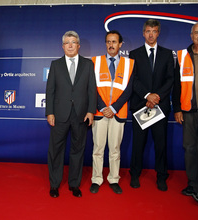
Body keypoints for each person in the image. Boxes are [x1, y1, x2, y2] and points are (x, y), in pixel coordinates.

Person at [46, 30, 97, 198]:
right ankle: (54, 184)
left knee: (78, 150)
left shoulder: (88, 64)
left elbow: (91, 90)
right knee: (56, 151)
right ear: (62, 46)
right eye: (67, 42)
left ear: (78, 45)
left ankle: (74, 184)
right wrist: (50, 112)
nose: (70, 45)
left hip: (81, 115)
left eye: (73, 42)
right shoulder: (55, 65)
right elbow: (50, 91)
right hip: (59, 115)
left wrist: (91, 111)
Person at [129, 19, 174, 191]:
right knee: (138, 144)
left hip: (160, 107)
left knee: (161, 145)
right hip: (140, 105)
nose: (151, 34)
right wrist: (148, 95)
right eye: (148, 31)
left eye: (154, 31)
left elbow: (170, 79)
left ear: (158, 33)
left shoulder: (167, 54)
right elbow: (133, 79)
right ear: (143, 33)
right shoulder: (134, 54)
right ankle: (135, 174)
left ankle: (161, 176)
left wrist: (156, 97)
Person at [172, 21, 198, 207]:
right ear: (191, 35)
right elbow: (176, 86)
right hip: (188, 112)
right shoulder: (181, 56)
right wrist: (177, 109)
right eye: (196, 32)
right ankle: (192, 183)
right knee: (189, 148)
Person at [90, 30, 134, 194]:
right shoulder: (95, 61)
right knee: (98, 149)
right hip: (99, 112)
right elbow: (91, 88)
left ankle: (114, 179)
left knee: (115, 149)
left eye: (114, 42)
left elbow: (129, 90)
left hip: (118, 113)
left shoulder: (130, 64)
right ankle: (96, 179)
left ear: (120, 44)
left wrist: (114, 108)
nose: (111, 45)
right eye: (108, 42)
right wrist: (102, 107)